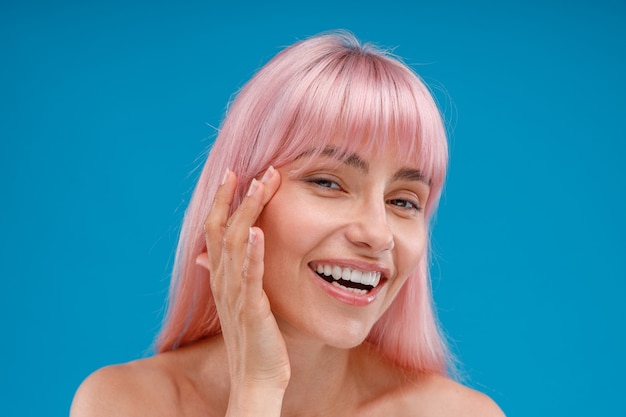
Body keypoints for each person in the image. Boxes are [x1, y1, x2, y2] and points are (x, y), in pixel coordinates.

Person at [71, 31, 504, 416]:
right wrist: (256, 389)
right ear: (240, 200)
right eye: (328, 182)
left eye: (403, 201)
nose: (376, 234)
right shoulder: (122, 403)